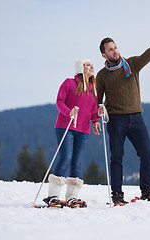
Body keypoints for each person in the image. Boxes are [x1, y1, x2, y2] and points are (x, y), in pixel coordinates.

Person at [93, 34, 150, 205]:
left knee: (147, 155)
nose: (115, 51)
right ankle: (117, 194)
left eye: (115, 47)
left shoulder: (132, 64)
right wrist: (94, 118)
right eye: (110, 49)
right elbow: (97, 100)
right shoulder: (102, 75)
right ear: (104, 55)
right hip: (116, 120)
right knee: (117, 157)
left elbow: (145, 57)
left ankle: (146, 192)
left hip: (136, 117)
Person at [44, 58, 102, 208]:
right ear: (80, 68)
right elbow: (59, 101)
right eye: (87, 64)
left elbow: (93, 110)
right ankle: (53, 195)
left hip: (83, 129)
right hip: (66, 126)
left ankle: (72, 197)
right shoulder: (69, 83)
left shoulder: (93, 89)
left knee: (77, 161)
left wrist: (96, 121)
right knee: (66, 157)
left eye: (91, 64)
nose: (91, 66)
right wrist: (69, 112)